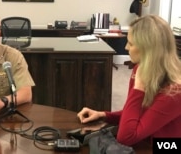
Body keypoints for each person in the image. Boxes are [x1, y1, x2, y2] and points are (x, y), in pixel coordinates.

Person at [77, 15, 181, 146]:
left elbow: (126, 137)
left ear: (148, 49)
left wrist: (138, 88)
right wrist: (103, 115)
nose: (126, 48)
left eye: (131, 43)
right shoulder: (140, 69)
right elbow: (136, 115)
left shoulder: (175, 91)